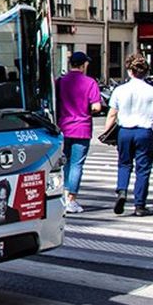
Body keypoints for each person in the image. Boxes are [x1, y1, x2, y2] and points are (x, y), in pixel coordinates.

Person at [104, 53, 153, 216]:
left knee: (124, 164)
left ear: (129, 71)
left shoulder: (120, 90)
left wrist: (106, 133)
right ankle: (140, 205)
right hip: (144, 132)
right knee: (143, 169)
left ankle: (122, 191)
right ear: (146, 73)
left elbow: (112, 114)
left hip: (125, 132)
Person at [55, 51, 102, 213]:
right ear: (84, 65)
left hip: (63, 127)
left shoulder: (59, 81)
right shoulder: (90, 83)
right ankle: (71, 199)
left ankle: (63, 195)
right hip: (82, 128)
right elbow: (96, 107)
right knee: (76, 164)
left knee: (64, 163)